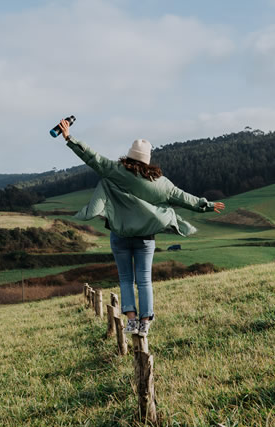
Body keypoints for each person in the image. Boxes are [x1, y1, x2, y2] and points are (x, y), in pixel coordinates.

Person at [57, 119, 225, 337]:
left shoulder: (115, 171)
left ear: (129, 155)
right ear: (148, 160)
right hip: (146, 239)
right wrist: (208, 205)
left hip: (120, 236)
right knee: (144, 279)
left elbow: (91, 156)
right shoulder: (161, 183)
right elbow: (186, 199)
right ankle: (145, 322)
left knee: (126, 279)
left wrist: (69, 137)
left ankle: (131, 321)